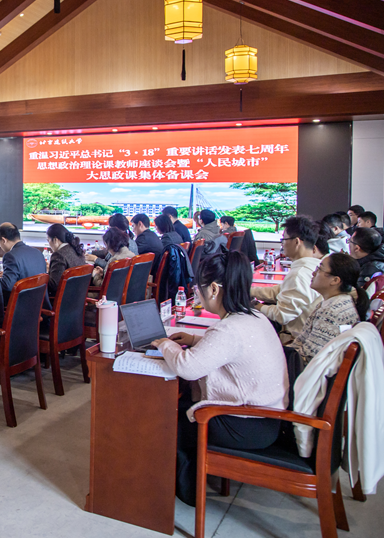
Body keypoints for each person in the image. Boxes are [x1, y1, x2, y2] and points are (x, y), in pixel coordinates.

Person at [152, 251, 288, 507]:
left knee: (170, 415)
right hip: (267, 419)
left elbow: (187, 367)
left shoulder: (228, 329)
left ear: (213, 289)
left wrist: (164, 344)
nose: (198, 294)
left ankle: (186, 490)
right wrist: (195, 340)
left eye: (198, 289)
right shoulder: (255, 317)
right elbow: (233, 349)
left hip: (246, 426)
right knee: (181, 404)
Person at [290, 253, 367, 365]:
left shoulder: (332, 312)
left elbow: (307, 359)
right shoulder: (339, 301)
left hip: (305, 371)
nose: (313, 273)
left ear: (335, 280)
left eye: (319, 269)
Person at [251, 216, 321, 336]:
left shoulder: (298, 274)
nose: (282, 244)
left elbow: (282, 315)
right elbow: (280, 290)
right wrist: (250, 291)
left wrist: (256, 305)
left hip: (294, 339)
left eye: (283, 239)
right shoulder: (314, 265)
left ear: (296, 242)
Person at [0, 222, 49, 308]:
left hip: (21, 308)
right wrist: (7, 275)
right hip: (39, 306)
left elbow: (7, 286)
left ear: (4, 240)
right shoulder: (37, 252)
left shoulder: (10, 256)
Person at [45, 223, 87, 298]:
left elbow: (54, 286)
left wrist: (44, 275)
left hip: (62, 300)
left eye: (48, 240)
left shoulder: (58, 255)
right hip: (77, 298)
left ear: (55, 240)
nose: (49, 244)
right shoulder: (75, 249)